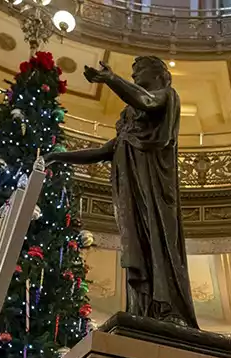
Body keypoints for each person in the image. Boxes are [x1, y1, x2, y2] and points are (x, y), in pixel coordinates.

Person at [44, 56, 197, 328]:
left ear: (160, 74)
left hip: (156, 194)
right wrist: (60, 157)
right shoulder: (129, 121)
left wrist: (111, 79)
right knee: (136, 245)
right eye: (132, 72)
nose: (135, 73)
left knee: (158, 243)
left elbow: (146, 101)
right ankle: (144, 308)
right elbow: (104, 151)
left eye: (140, 70)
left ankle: (168, 309)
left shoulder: (165, 97)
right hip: (132, 195)